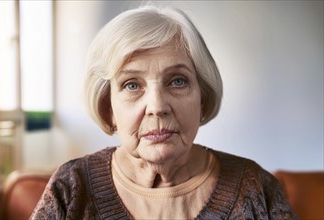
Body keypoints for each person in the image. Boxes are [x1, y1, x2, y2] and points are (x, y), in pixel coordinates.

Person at [31, 5, 298, 220]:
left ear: (202, 97)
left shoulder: (256, 188)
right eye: (132, 85)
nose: (157, 106)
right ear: (108, 107)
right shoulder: (70, 187)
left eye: (178, 81)